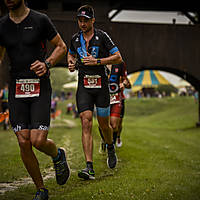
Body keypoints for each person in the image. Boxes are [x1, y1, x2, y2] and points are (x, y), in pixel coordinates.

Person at [0, 0, 70, 199]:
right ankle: (41, 190)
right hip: (17, 88)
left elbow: (61, 46)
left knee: (37, 140)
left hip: (39, 86)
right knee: (23, 141)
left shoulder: (41, 20)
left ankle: (58, 155)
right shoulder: (2, 25)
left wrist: (47, 63)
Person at [67, 4, 123, 180]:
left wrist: (98, 61)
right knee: (86, 122)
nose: (82, 24)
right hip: (84, 85)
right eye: (80, 20)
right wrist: (70, 63)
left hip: (101, 86)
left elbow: (118, 57)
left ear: (92, 20)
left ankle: (110, 146)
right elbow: (70, 55)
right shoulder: (75, 39)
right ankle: (89, 167)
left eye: (85, 20)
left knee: (104, 125)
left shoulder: (102, 36)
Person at [99, 62, 131, 152]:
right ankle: (104, 140)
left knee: (115, 125)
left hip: (117, 98)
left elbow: (127, 82)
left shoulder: (119, 64)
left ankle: (112, 145)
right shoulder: (98, 61)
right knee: (103, 125)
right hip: (102, 97)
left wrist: (123, 84)